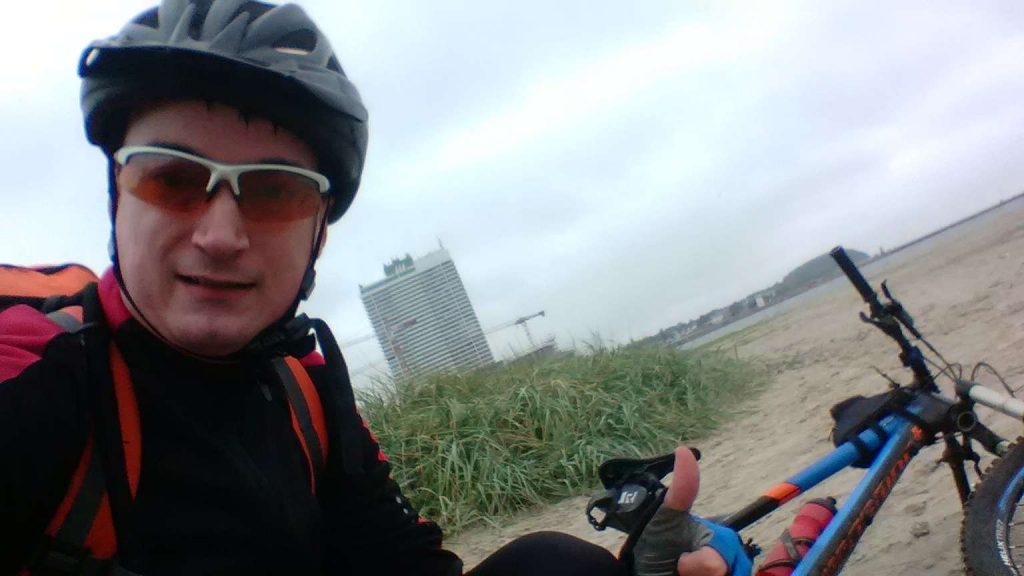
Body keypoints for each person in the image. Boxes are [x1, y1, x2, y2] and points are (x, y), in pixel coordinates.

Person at [0, 1, 747, 575]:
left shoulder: (305, 388)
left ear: (318, 235)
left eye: (275, 192)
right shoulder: (33, 367)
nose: (220, 234)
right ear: (116, 197)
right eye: (172, 178)